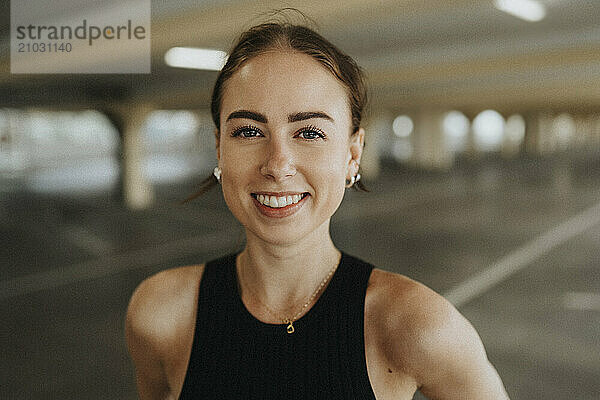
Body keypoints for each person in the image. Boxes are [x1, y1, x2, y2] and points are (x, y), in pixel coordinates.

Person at [125, 20, 510, 400]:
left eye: (309, 133)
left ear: (352, 155)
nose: (278, 165)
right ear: (219, 147)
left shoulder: (415, 324)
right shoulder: (161, 313)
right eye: (248, 131)